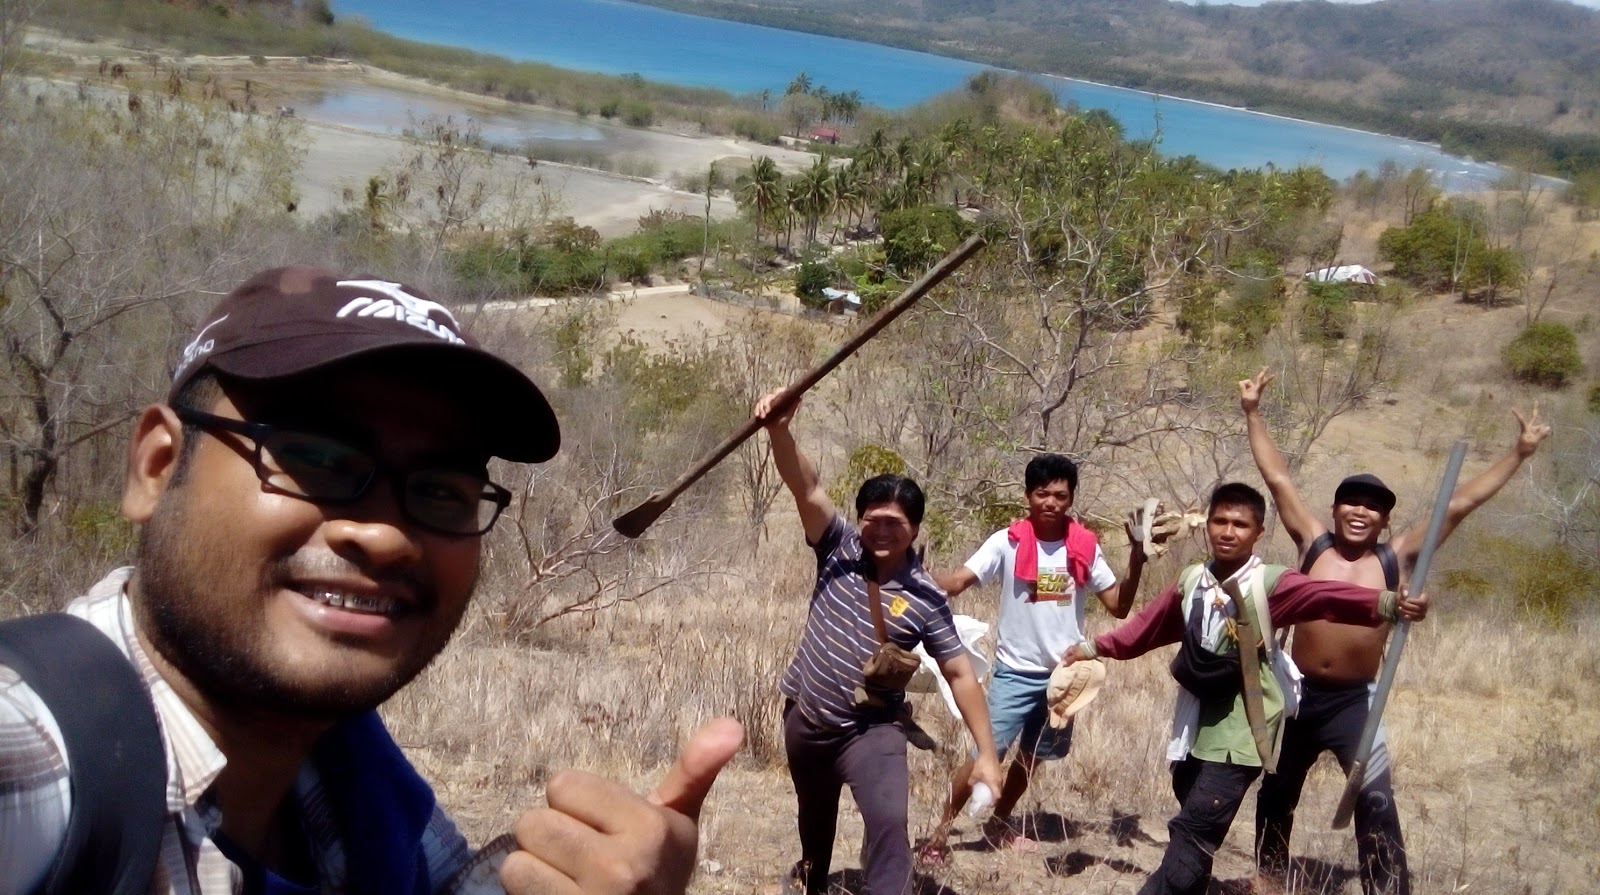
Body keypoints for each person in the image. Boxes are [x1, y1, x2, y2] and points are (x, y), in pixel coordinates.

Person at [0, 267, 742, 895]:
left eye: (442, 490)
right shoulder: (36, 762)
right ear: (157, 468)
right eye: (314, 458)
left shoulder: (351, 773)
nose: (385, 533)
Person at [1239, 367, 1549, 895]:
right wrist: (1252, 413)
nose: (1361, 511)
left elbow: (1458, 504)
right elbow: (1278, 479)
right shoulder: (1313, 543)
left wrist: (1518, 454)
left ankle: (1388, 887)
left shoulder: (1397, 558)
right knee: (1276, 791)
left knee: (1375, 798)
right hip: (1295, 694)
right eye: (1352, 502)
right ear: (1334, 509)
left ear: (1385, 522)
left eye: (1374, 508)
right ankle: (1269, 878)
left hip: (1356, 702)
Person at [1059, 482, 1428, 895]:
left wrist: (1391, 605)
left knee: (1194, 831)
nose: (1228, 531)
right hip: (1195, 724)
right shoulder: (1192, 580)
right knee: (1193, 824)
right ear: (1207, 527)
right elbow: (1147, 628)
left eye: (1240, 524)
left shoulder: (1271, 583)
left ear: (1259, 533)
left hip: (1243, 730)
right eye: (1220, 521)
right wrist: (1092, 647)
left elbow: (1328, 597)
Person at [755, 389, 1002, 895]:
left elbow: (959, 672)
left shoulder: (927, 596)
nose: (883, 531)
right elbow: (806, 488)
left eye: (896, 523)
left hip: (872, 731)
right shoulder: (838, 546)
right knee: (815, 823)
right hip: (807, 720)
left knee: (889, 824)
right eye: (874, 520)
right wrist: (779, 429)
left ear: (914, 529)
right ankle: (811, 881)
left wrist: (987, 752)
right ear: (860, 518)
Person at [919, 453, 1147, 859]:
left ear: (1071, 498)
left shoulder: (1084, 546)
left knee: (1034, 757)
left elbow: (1118, 605)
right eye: (1042, 493)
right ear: (1028, 496)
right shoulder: (1006, 541)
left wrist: (1136, 559)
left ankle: (999, 822)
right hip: (1014, 673)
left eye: (1060, 495)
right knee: (982, 758)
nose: (1051, 503)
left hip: (1066, 677)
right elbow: (957, 581)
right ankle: (939, 833)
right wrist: (915, 574)